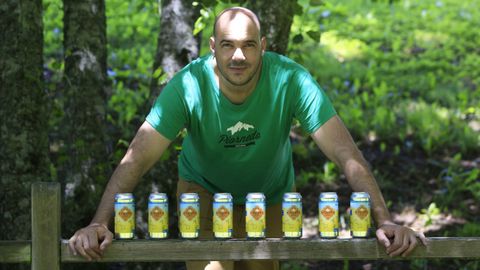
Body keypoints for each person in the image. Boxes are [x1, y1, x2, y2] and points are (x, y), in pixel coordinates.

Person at [68, 6, 427, 270]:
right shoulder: (188, 85)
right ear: (212, 47)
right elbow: (138, 158)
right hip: (202, 193)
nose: (238, 56)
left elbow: (345, 154)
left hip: (270, 195)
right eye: (227, 45)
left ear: (263, 45)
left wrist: (385, 220)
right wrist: (101, 222)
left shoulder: (291, 80)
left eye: (248, 45)